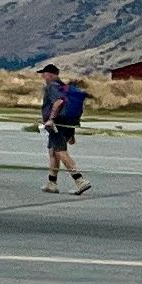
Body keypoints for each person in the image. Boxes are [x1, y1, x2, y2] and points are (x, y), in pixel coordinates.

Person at [38, 64, 89, 195]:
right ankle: (52, 183)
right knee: (53, 151)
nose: (43, 76)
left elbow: (59, 102)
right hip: (68, 123)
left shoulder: (52, 87)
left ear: (50, 74)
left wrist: (51, 119)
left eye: (44, 74)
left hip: (57, 124)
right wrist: (71, 133)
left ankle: (80, 180)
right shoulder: (65, 87)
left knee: (60, 151)